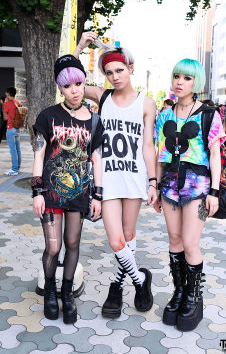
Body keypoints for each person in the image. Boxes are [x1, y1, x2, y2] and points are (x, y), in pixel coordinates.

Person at [74, 32, 157, 318]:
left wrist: (153, 182)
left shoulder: (146, 103)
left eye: (119, 70)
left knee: (129, 235)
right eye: (109, 72)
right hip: (107, 177)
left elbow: (148, 146)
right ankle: (140, 280)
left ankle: (117, 284)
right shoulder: (103, 96)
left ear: (130, 68)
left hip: (134, 177)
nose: (114, 77)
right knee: (115, 240)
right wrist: (81, 47)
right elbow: (70, 79)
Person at [154, 58, 226, 331]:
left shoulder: (209, 114)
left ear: (196, 83)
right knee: (174, 239)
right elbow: (161, 154)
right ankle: (180, 291)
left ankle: (194, 296)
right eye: (176, 76)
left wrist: (215, 192)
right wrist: (155, 186)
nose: (179, 82)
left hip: (198, 185)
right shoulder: (165, 115)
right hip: (170, 184)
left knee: (190, 241)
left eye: (186, 78)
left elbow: (216, 155)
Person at [32, 54, 104, 324]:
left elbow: (96, 159)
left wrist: (98, 195)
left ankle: (67, 291)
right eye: (67, 86)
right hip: (50, 194)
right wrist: (37, 192)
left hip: (79, 193)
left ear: (84, 83)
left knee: (73, 243)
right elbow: (39, 155)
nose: (74, 90)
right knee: (54, 246)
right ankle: (50, 291)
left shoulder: (95, 121)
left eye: (78, 84)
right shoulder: (48, 116)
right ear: (60, 88)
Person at [3, 87, 22, 175]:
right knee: (18, 149)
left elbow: (5, 117)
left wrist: (5, 104)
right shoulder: (17, 102)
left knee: (13, 150)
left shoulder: (8, 103)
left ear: (7, 94)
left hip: (10, 128)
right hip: (17, 128)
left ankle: (14, 169)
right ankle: (17, 167)